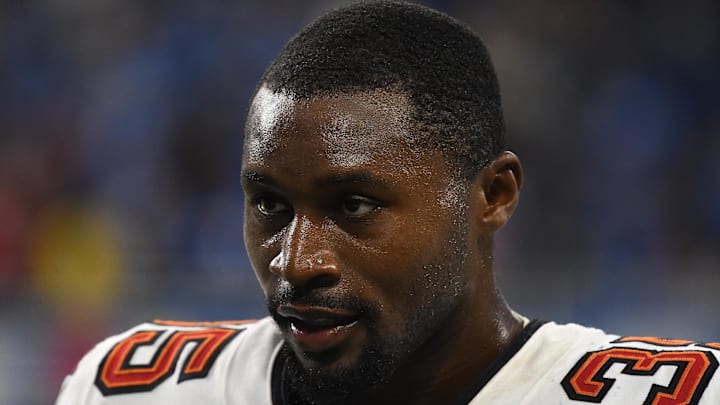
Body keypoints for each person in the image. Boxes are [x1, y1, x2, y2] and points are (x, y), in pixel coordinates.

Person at [56, 1, 720, 404]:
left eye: (353, 205)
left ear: (493, 194)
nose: (298, 260)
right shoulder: (130, 385)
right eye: (269, 204)